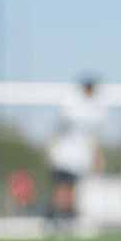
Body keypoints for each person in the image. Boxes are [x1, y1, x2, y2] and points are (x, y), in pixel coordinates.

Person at [47, 78, 104, 228]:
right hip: (63, 156)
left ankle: (67, 218)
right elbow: (58, 129)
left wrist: (97, 156)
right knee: (61, 188)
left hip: (79, 159)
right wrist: (53, 149)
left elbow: (93, 137)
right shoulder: (71, 104)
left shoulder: (94, 110)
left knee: (72, 189)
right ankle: (55, 217)